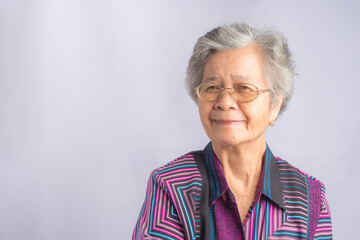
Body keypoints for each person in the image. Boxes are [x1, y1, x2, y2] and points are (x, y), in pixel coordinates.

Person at [132, 23, 332, 240]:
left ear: (274, 105)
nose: (225, 102)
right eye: (212, 87)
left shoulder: (309, 198)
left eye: (244, 88)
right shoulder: (171, 186)